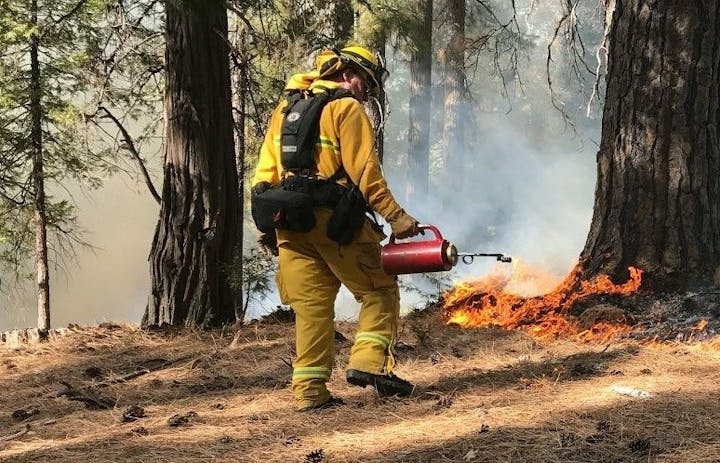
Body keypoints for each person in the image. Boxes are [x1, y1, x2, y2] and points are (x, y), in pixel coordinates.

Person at [251, 46, 422, 412]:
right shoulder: (346, 108)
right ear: (347, 72)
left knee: (312, 310)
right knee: (379, 289)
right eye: (366, 83)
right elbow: (365, 174)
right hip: (334, 222)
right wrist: (398, 219)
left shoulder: (284, 110)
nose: (366, 92)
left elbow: (264, 174)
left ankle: (310, 394)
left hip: (290, 224)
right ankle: (369, 365)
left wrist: (268, 227)